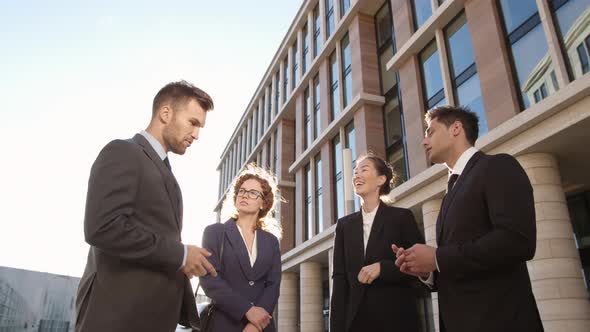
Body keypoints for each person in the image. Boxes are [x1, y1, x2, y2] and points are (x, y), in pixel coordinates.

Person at [75, 80, 218, 332]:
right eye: (193, 123)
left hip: (151, 317)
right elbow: (103, 227)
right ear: (166, 113)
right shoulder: (123, 152)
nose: (196, 135)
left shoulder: (164, 171)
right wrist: (181, 255)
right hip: (118, 317)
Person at [393, 105, 543, 332]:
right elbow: (457, 261)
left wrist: (438, 258)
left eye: (430, 132)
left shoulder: (496, 166)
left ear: (455, 128)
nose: (424, 142)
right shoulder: (449, 193)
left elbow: (516, 240)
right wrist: (426, 270)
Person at [330, 154, 425, 332]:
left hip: (397, 320)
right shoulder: (344, 226)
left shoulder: (402, 218)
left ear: (381, 179)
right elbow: (340, 280)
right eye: (355, 171)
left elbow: (421, 269)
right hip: (356, 323)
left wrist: (383, 268)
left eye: (364, 170)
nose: (356, 175)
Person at [200, 164, 282, 332]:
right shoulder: (215, 232)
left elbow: (273, 286)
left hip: (260, 327)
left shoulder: (271, 241)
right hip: (223, 325)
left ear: (263, 203)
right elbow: (210, 280)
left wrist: (255, 325)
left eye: (253, 193)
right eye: (242, 191)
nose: (245, 195)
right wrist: (247, 311)